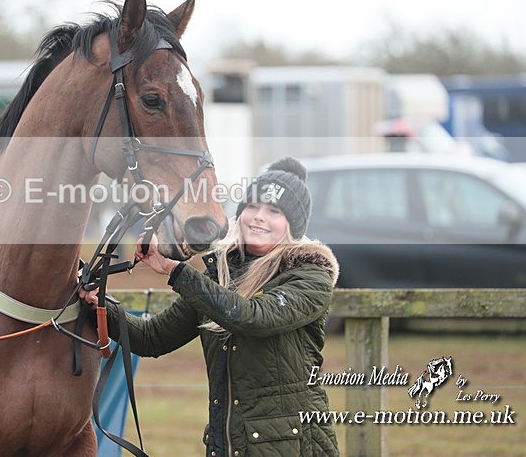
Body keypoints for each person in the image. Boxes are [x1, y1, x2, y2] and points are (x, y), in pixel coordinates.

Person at [82, 156, 340, 456]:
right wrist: (98, 305)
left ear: (292, 225)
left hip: (294, 448)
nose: (258, 217)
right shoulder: (220, 275)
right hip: (227, 444)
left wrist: (175, 270)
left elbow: (251, 318)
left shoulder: (310, 275)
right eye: (252, 207)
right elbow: (152, 337)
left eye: (274, 211)